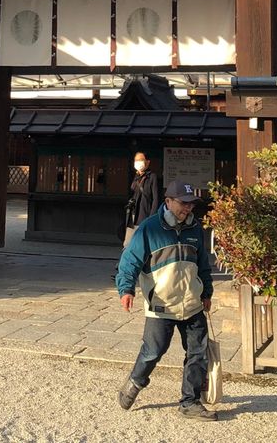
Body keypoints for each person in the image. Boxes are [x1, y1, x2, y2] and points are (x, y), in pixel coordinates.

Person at [114, 179, 216, 421]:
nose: (188, 208)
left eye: (191, 204)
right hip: (161, 304)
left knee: (198, 352)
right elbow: (129, 261)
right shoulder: (149, 228)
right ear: (168, 201)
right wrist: (126, 290)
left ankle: (190, 402)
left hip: (191, 303)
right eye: (183, 203)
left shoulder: (195, 229)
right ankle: (135, 382)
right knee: (153, 351)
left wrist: (206, 293)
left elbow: (203, 264)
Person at [124, 151, 160, 244]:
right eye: (136, 160)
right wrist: (137, 175)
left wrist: (152, 217)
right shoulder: (136, 176)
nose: (138, 162)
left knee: (142, 242)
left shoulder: (152, 177)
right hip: (133, 214)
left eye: (140, 160)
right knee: (128, 243)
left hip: (145, 215)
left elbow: (156, 198)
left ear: (147, 162)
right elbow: (132, 191)